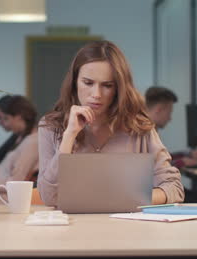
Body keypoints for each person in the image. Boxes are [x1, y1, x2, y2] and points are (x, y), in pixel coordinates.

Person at [37, 40, 184, 207]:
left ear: (118, 89)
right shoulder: (51, 126)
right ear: (74, 82)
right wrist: (69, 136)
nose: (96, 94)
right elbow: (48, 196)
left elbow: (174, 187)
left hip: (127, 228)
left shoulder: (138, 127)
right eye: (88, 83)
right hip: (74, 228)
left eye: (107, 85)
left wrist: (132, 198)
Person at [0, 95, 39, 204]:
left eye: (4, 118)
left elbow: (15, 183)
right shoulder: (20, 138)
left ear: (19, 117)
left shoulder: (32, 142)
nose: (0, 123)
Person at [144, 86, 197, 169]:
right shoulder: (142, 134)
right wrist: (181, 162)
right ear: (159, 110)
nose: (170, 119)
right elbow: (152, 170)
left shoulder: (149, 131)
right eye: (169, 113)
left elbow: (162, 159)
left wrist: (189, 154)